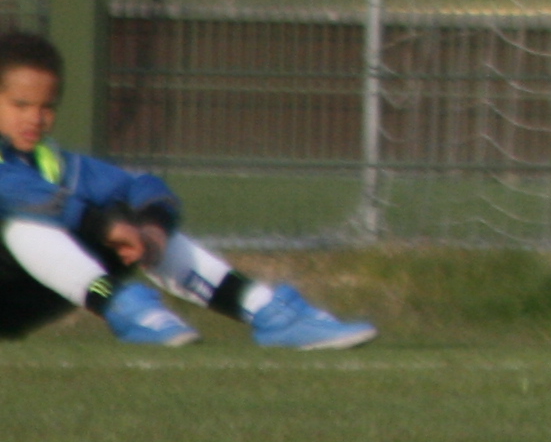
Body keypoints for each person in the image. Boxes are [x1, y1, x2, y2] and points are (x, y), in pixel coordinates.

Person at [0, 30, 373, 351]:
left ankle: (266, 311)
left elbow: (140, 185)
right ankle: (123, 307)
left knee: (129, 218)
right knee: (27, 219)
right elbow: (21, 193)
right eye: (20, 105)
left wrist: (153, 226)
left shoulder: (51, 161)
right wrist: (106, 227)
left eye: (47, 107)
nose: (36, 118)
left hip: (19, 300)